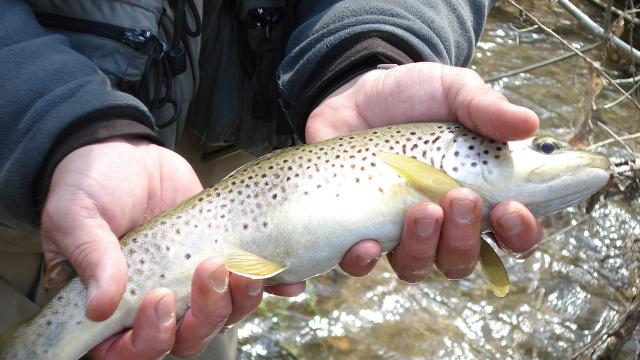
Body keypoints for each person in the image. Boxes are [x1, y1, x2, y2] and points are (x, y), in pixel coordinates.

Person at [0, 0, 541, 358]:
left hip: (233, 177)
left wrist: (373, 51)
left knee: (193, 326)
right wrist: (54, 120)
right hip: (31, 157)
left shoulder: (436, 162)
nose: (547, 156)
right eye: (544, 148)